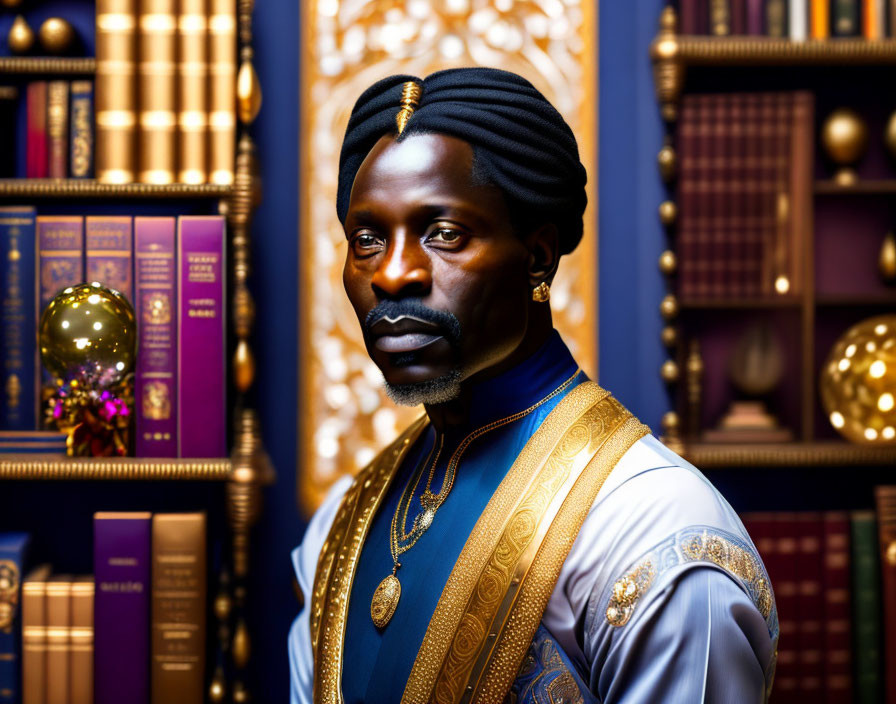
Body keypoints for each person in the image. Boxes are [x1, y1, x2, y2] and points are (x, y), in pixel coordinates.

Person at [289, 68, 778, 704]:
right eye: (367, 239)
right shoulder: (341, 525)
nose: (393, 274)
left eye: (443, 234)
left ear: (539, 257)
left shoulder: (653, 532)